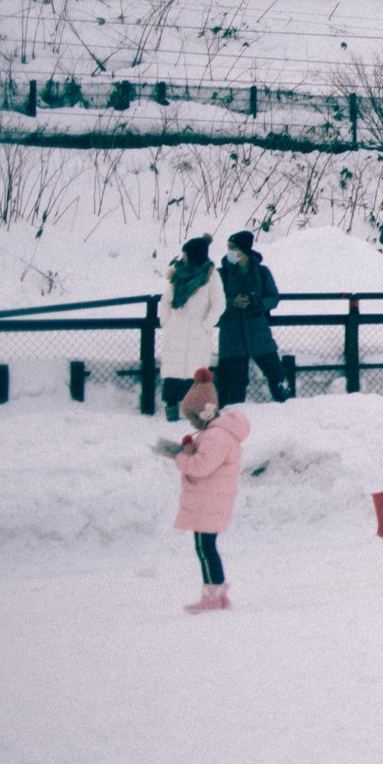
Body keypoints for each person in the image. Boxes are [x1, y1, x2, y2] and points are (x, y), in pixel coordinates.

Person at [154, 368, 249, 613]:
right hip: (209, 499)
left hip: (210, 501)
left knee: (205, 548)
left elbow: (201, 466)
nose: (191, 423)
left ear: (205, 413)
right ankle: (216, 593)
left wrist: (179, 457)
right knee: (205, 547)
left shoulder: (217, 436)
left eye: (192, 417)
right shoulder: (214, 434)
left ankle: (214, 594)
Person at [157, 236, 224, 423]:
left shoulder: (211, 276)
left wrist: (205, 325)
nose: (183, 257)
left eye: (186, 253)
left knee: (195, 371)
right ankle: (171, 405)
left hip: (197, 332)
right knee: (173, 369)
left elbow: (219, 304)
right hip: (176, 329)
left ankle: (193, 407)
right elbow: (166, 301)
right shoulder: (178, 274)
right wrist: (166, 322)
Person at [216, 231, 286, 406]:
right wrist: (232, 302)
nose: (229, 252)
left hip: (258, 333)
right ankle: (232, 421)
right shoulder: (222, 274)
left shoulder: (261, 272)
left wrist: (258, 303)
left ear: (243, 249)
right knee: (234, 385)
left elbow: (273, 298)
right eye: (228, 248)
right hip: (231, 336)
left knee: (276, 375)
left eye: (233, 248)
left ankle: (287, 409)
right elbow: (213, 301)